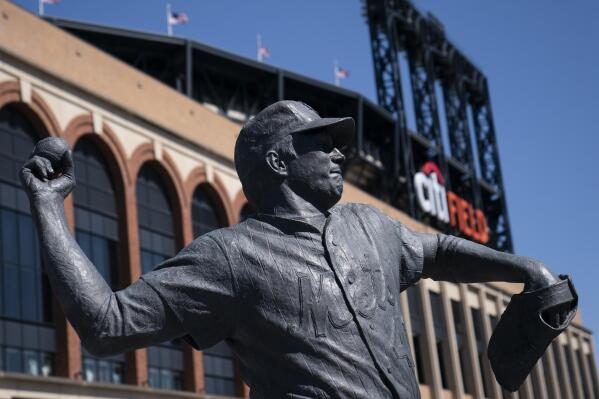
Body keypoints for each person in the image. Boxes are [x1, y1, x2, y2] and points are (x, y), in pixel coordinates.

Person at [21, 100, 567, 398]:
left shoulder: (369, 226)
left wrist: (523, 267)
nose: (338, 153)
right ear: (280, 162)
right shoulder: (230, 257)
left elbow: (438, 251)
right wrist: (49, 207)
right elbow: (106, 324)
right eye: (321, 143)